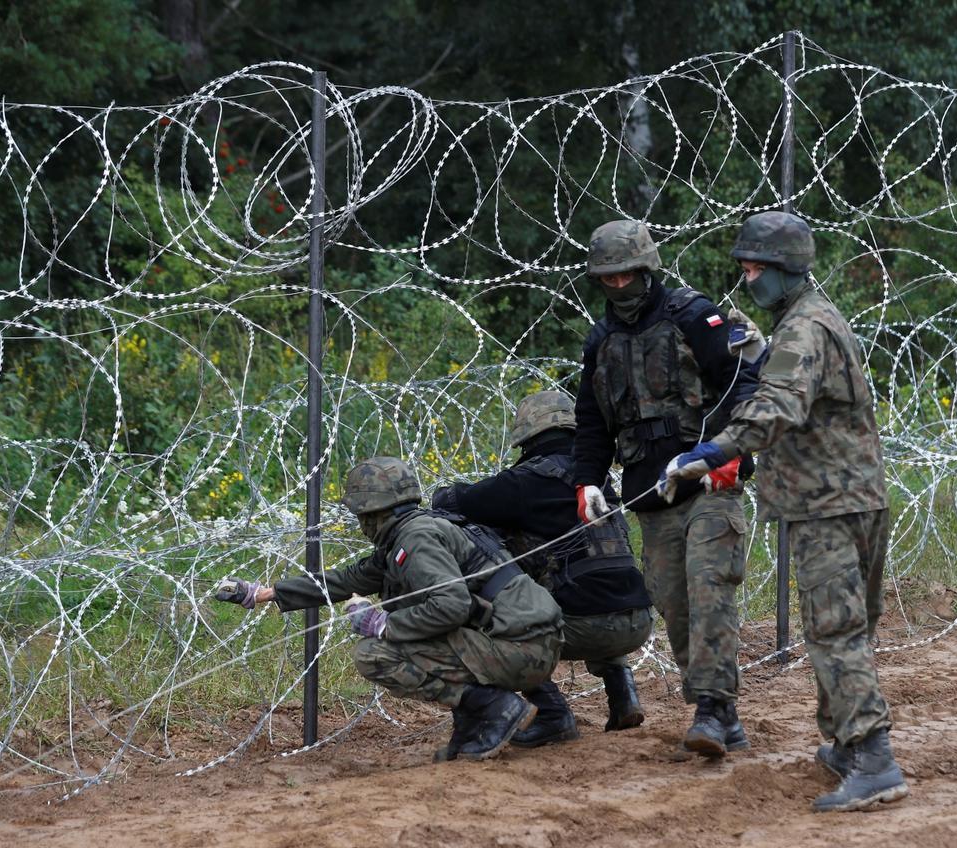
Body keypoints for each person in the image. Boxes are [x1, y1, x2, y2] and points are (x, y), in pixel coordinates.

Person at [659, 211, 908, 811]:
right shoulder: (817, 318)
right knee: (847, 627)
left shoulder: (803, 329)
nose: (747, 280)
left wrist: (714, 449)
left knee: (834, 630)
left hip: (826, 505)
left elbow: (780, 406)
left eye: (753, 269)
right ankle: (848, 744)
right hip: (856, 495)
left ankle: (873, 759)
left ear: (782, 269)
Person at [214, 456, 564, 762]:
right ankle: (477, 719)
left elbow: (452, 605)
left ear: (373, 512)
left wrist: (383, 624)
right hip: (524, 643)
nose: (360, 523)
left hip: (520, 648)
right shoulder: (410, 534)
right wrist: (267, 593)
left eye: (360, 514)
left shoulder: (416, 539)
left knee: (374, 654)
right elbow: (345, 579)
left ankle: (495, 707)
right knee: (419, 638)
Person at [571, 219, 760, 757]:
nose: (619, 286)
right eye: (609, 278)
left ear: (646, 269)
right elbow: (591, 422)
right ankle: (720, 711)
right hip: (650, 496)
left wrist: (729, 451)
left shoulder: (694, 316)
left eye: (628, 274)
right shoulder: (601, 342)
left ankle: (711, 709)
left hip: (710, 487)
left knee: (709, 592)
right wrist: (587, 481)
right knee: (676, 606)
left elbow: (743, 382)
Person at [432, 389, 653, 747]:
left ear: (527, 435)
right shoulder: (597, 481)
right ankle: (623, 694)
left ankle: (552, 715)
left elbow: (455, 500)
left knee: (481, 619)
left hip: (584, 627)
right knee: (593, 578)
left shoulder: (526, 482)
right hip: (638, 620)